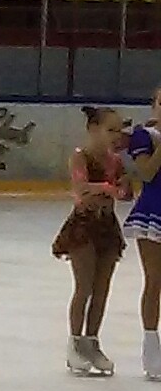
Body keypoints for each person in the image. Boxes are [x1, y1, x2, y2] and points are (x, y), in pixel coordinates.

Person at [54, 106, 129, 376]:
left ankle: (92, 342)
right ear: (93, 129)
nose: (116, 135)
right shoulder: (80, 157)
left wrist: (118, 188)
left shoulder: (116, 161)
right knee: (84, 287)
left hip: (107, 227)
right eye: (111, 130)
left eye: (119, 130)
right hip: (84, 226)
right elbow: (81, 190)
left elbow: (126, 192)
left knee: (101, 289)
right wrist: (108, 188)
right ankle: (75, 343)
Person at [123, 86, 161, 381]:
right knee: (155, 280)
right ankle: (151, 347)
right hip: (153, 212)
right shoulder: (143, 136)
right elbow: (147, 172)